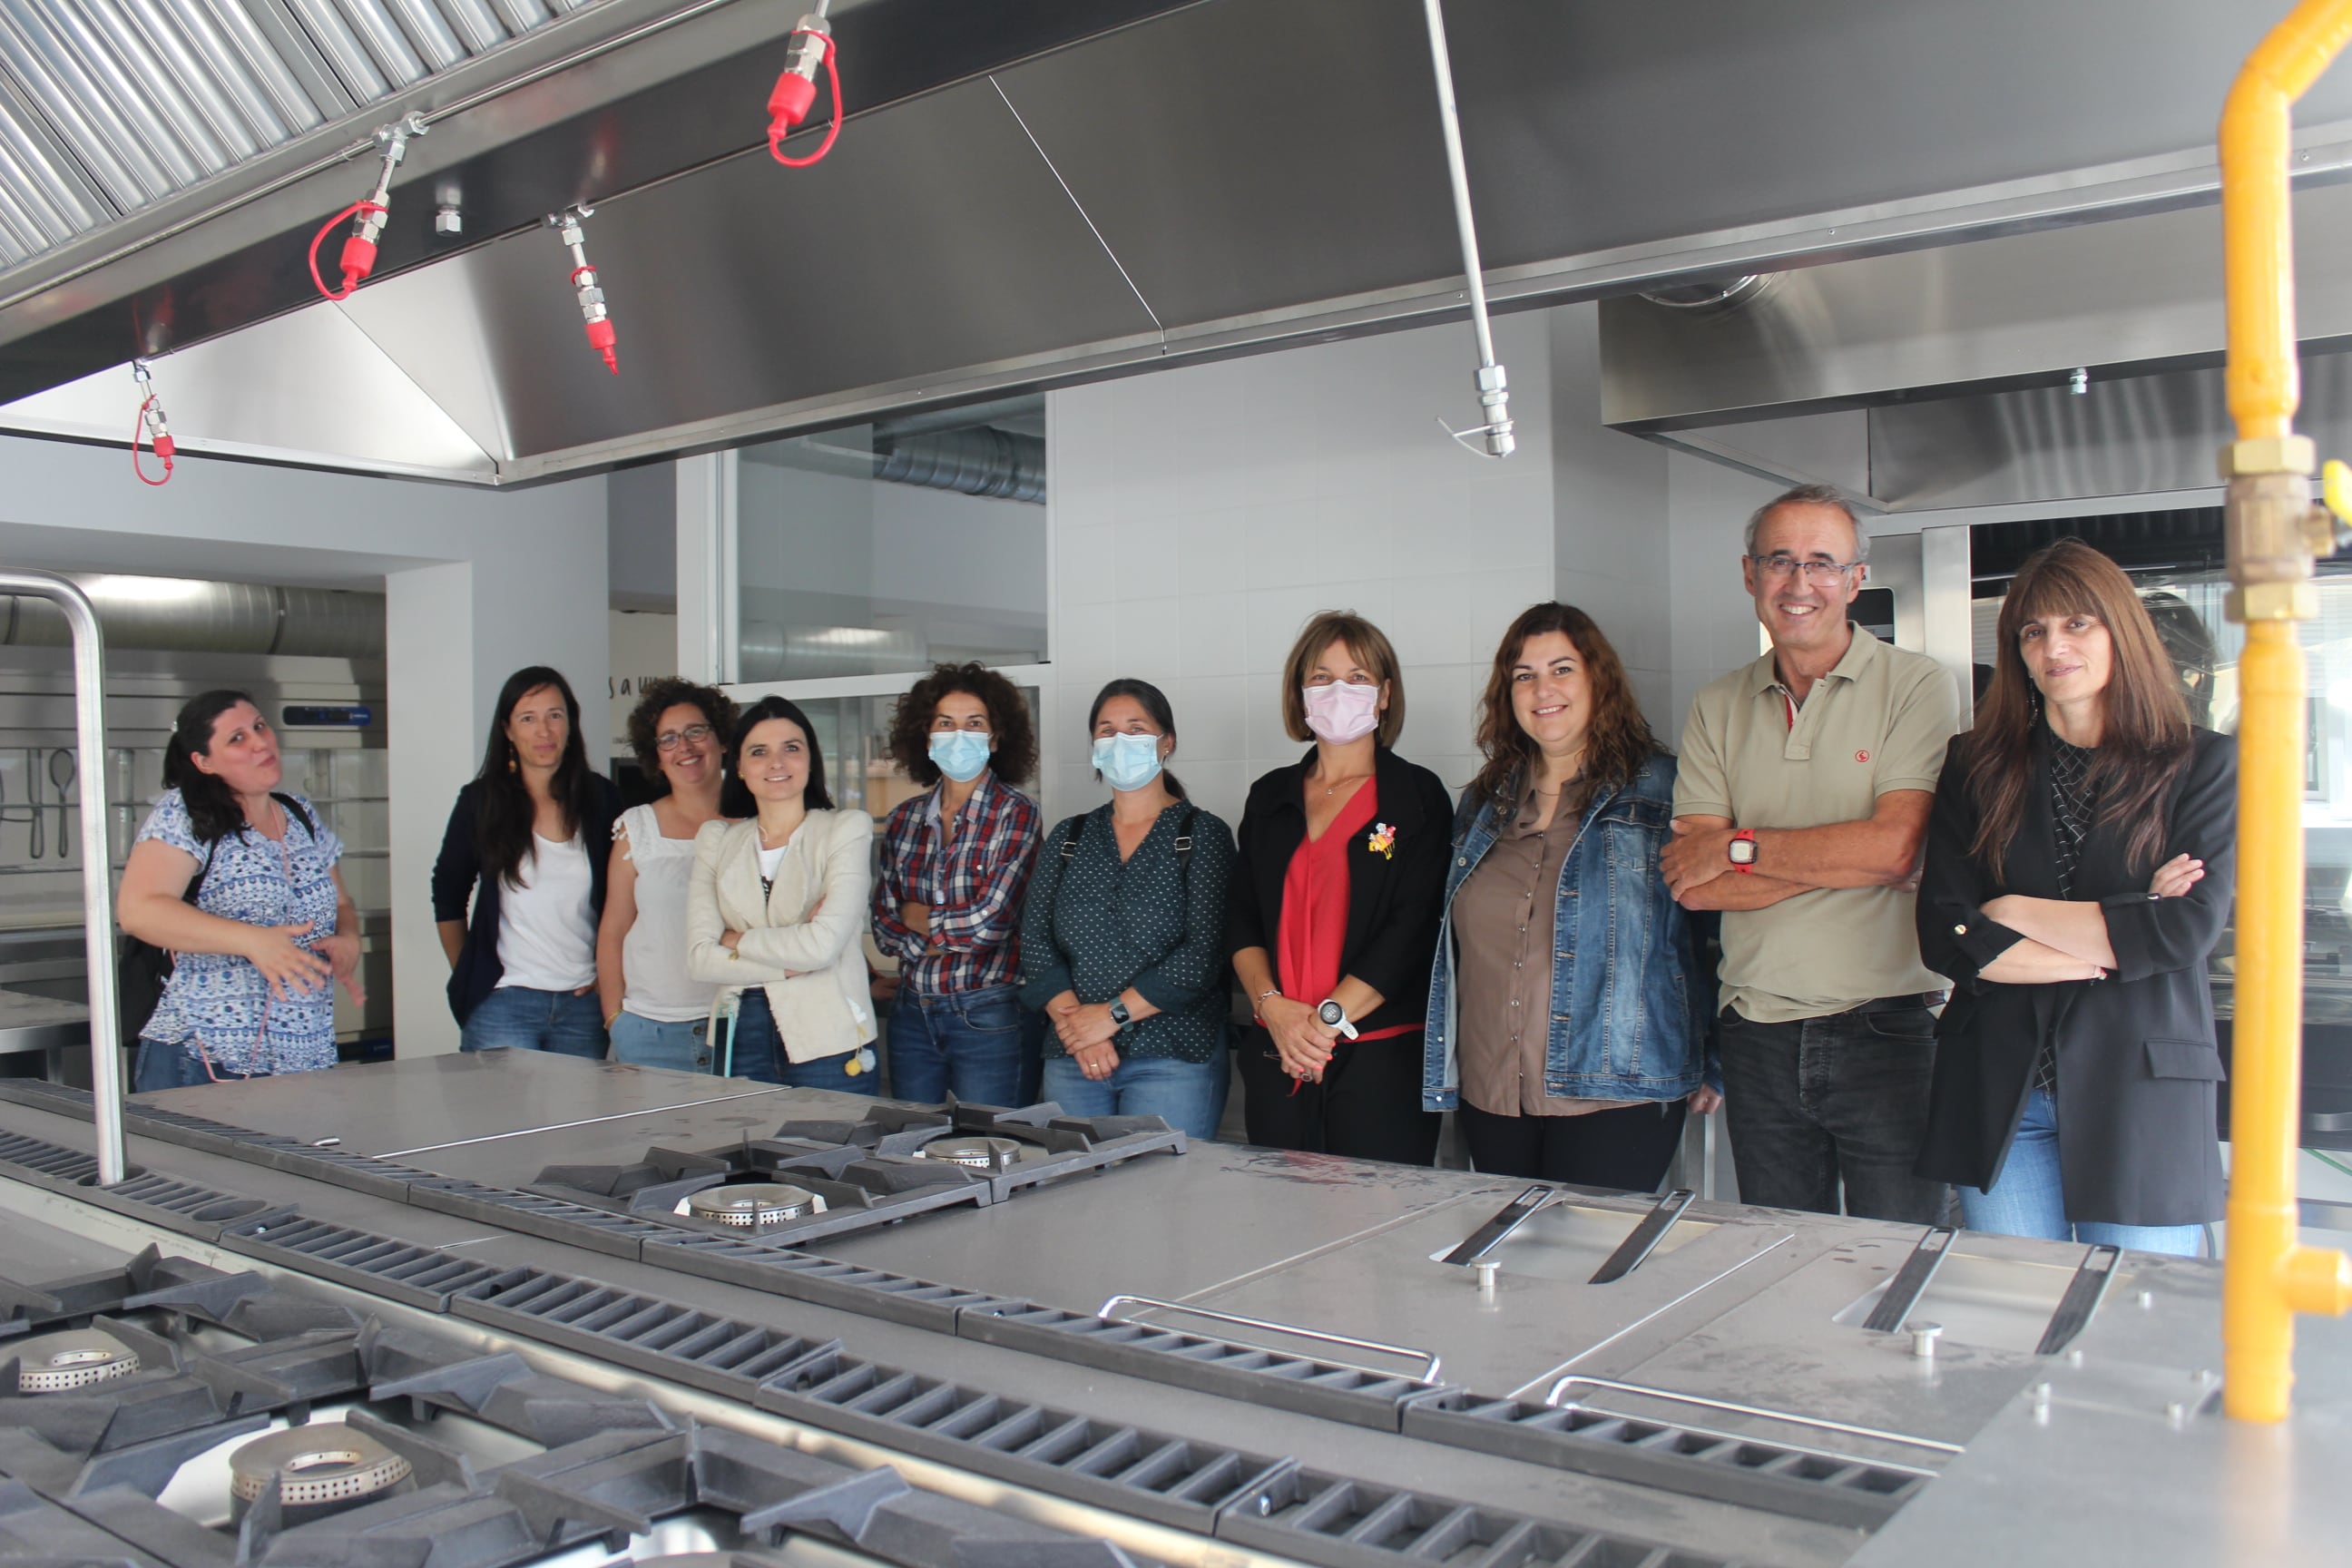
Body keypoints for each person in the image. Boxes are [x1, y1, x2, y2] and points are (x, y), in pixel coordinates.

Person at [1915, 540, 2233, 1254]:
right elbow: (1945, 935)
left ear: (2121, 630)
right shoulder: (1976, 763)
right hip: (2002, 1093)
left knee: (2134, 1340)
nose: (2054, 646)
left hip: (2139, 1091)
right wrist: (2121, 936)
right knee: (2018, 1327)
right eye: (2033, 631)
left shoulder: (2201, 763)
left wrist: (2011, 913)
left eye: (2077, 624)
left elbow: (2184, 930)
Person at [1663, 485, 1958, 1221]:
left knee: (1896, 1265)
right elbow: (1694, 886)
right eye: (1781, 561)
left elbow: (1894, 851)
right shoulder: (1717, 705)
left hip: (1887, 1029)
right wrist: (1842, 862)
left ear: (1857, 579)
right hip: (1755, 1034)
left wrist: (1739, 848)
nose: (1800, 584)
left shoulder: (1916, 685)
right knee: (1779, 1262)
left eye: (1823, 563)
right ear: (1749, 574)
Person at [1424, 604, 1718, 1188]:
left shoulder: (1665, 788)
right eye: (1524, 675)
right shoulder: (1485, 802)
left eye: (1562, 669)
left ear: (1597, 680)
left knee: (1588, 1270)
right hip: (1493, 1093)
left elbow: (1714, 933)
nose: (1542, 689)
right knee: (1505, 1270)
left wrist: (1719, 1061)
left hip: (1615, 1090)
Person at [1229, 612, 1452, 1165]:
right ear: (1300, 694)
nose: (1338, 691)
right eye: (1322, 677)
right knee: (1281, 1228)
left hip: (1378, 1062)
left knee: (1374, 1232)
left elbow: (1415, 928)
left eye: (1357, 678)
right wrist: (1275, 1011)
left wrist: (1322, 1025)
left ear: (1384, 695)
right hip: (1277, 1052)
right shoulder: (1270, 797)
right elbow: (1241, 917)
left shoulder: (1417, 796)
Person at [1020, 680, 1235, 1138]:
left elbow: (1204, 955)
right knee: (1071, 1198)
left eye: (1136, 730)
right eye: (1107, 731)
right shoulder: (1069, 837)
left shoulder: (1201, 834)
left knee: (1163, 1202)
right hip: (1073, 1057)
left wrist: (1110, 1017)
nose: (1120, 742)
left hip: (1173, 1057)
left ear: (1167, 742)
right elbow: (1035, 942)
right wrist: (1078, 1029)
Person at [117, 691, 364, 1089]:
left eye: (260, 727)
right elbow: (139, 910)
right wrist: (253, 941)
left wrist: (348, 938)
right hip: (205, 1058)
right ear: (204, 762)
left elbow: (340, 901)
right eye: (237, 738)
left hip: (303, 1057)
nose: (260, 742)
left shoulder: (300, 815)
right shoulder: (185, 814)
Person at [686, 696, 879, 1089]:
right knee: (744, 1148)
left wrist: (735, 940)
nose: (777, 763)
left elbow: (821, 947)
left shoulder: (845, 829)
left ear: (811, 759)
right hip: (738, 1033)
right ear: (738, 767)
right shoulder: (716, 840)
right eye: (759, 752)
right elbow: (699, 959)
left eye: (791, 748)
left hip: (828, 1036)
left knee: (832, 1149)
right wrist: (788, 964)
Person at [871, 662, 1043, 1104]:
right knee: (912, 1149)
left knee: (993, 1148)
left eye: (974, 724)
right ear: (926, 737)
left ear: (996, 738)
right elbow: (884, 926)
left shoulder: (1017, 814)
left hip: (990, 1013)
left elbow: (990, 926)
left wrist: (917, 918)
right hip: (911, 1013)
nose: (959, 735)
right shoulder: (904, 819)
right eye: (945, 724)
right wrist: (930, 933)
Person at [433, 667, 622, 1054]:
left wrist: (612, 975)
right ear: (508, 730)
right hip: (503, 1001)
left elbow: (631, 897)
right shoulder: (481, 801)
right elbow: (447, 893)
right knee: (502, 1116)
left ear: (571, 723)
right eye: (528, 718)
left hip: (582, 1003)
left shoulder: (602, 799)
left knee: (579, 1116)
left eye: (555, 715)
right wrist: (471, 972)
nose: (544, 731)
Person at [595, 680, 739, 1072]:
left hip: (742, 1029)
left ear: (723, 740)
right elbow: (613, 929)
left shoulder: (758, 822)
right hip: (649, 1034)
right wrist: (615, 1020)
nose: (685, 747)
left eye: (696, 731)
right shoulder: (636, 828)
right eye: (669, 739)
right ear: (655, 757)